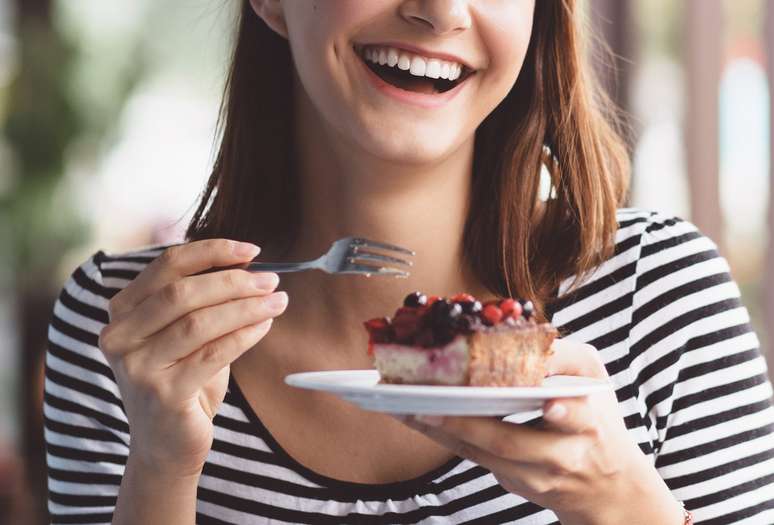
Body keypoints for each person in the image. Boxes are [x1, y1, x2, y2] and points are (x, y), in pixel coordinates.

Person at [43, 1, 774, 523]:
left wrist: (624, 507)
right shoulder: (127, 330)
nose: (440, 10)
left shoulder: (662, 295)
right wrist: (164, 468)